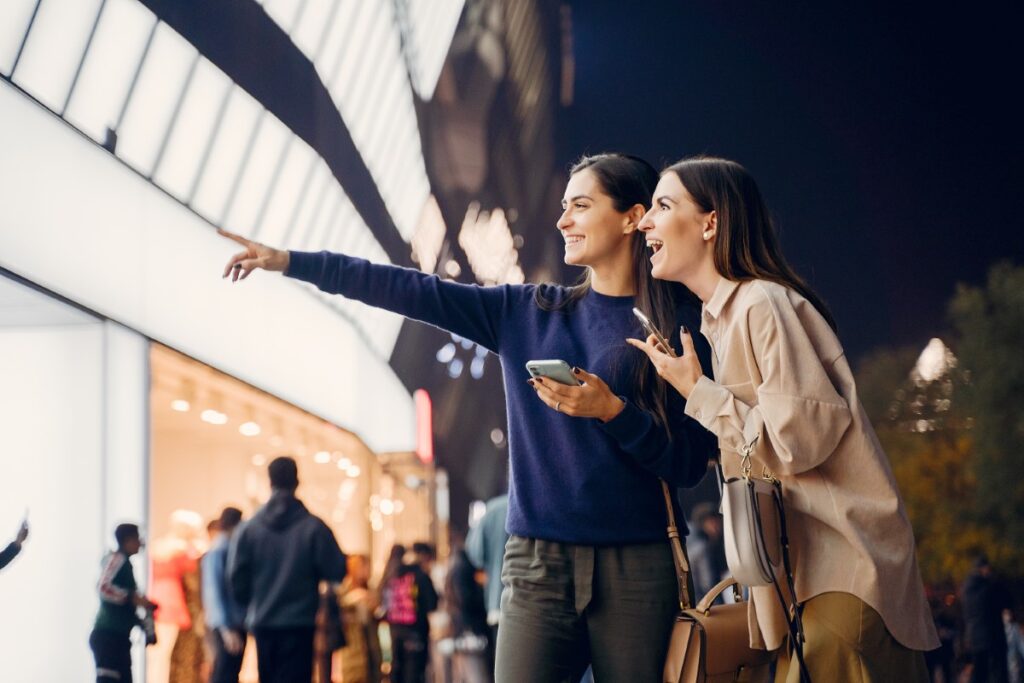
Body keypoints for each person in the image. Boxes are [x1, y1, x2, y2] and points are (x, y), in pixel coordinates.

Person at [219, 153, 717, 682]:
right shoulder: (526, 311)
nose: (562, 220)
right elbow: (407, 289)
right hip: (535, 567)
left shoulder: (678, 327)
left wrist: (613, 413)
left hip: (638, 565)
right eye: (562, 207)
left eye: (580, 205)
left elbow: (688, 465)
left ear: (629, 217)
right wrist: (293, 261)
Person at [628, 156, 939, 681]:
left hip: (842, 573)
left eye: (663, 205)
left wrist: (697, 392)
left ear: (710, 223)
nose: (644, 222)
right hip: (806, 584)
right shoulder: (721, 320)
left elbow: (797, 443)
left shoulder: (760, 304)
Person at [228, 456, 347, 683]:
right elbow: (336, 570)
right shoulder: (313, 528)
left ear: (269, 482)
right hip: (300, 623)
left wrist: (253, 602)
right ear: (297, 482)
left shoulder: (249, 530)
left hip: (263, 622)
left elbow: (237, 580)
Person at [89, 523, 157, 683]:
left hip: (119, 637)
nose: (140, 543)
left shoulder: (126, 564)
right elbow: (103, 587)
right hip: (108, 636)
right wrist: (130, 597)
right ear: (128, 540)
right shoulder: (117, 558)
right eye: (137, 538)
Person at [201, 507, 247, 683]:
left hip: (230, 620)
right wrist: (226, 627)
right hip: (227, 622)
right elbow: (214, 592)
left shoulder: (227, 549)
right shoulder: (219, 551)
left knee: (229, 671)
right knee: (225, 671)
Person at [382, 546, 439, 683]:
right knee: (414, 674)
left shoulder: (390, 575)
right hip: (416, 633)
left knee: (396, 670)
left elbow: (383, 603)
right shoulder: (420, 575)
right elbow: (432, 603)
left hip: (395, 632)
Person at [464, 493, 508, 650]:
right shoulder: (540, 502)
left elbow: (475, 554)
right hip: (539, 605)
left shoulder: (493, 509)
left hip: (499, 602)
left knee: (505, 669)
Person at [961, 555, 1010, 683]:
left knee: (979, 673)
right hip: (992, 637)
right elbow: (1004, 601)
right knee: (997, 672)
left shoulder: (967, 589)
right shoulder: (990, 587)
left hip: (974, 638)